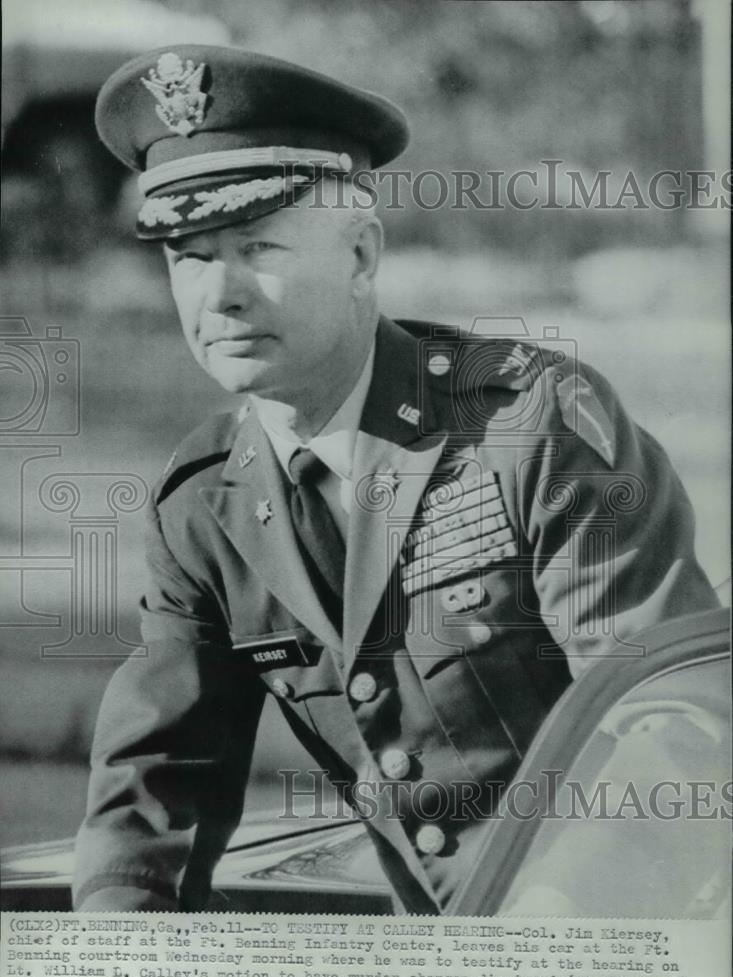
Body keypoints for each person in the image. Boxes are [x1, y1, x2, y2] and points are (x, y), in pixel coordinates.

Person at [73, 44, 718, 914]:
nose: (217, 294)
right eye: (188, 255)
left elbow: (670, 711)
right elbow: (157, 782)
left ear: (361, 257)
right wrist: (116, 944)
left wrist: (554, 928)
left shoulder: (526, 427)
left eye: (256, 244)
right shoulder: (203, 503)